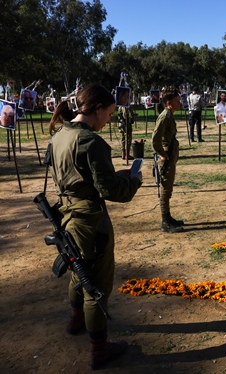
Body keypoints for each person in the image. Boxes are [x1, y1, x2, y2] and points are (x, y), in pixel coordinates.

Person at [47, 83, 142, 370]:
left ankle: (75, 321)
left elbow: (80, 176)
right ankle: (98, 350)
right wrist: (133, 181)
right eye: (109, 113)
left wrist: (114, 176)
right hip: (90, 221)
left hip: (66, 214)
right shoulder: (91, 142)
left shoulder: (59, 135)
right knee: (96, 286)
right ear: (97, 109)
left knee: (78, 269)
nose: (109, 120)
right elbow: (111, 191)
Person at [152, 90, 185, 233]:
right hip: (166, 157)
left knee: (168, 188)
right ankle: (165, 222)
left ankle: (168, 217)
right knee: (165, 189)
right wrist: (162, 154)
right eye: (177, 101)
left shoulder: (169, 115)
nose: (180, 103)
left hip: (171, 154)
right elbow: (155, 138)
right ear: (169, 103)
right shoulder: (164, 117)